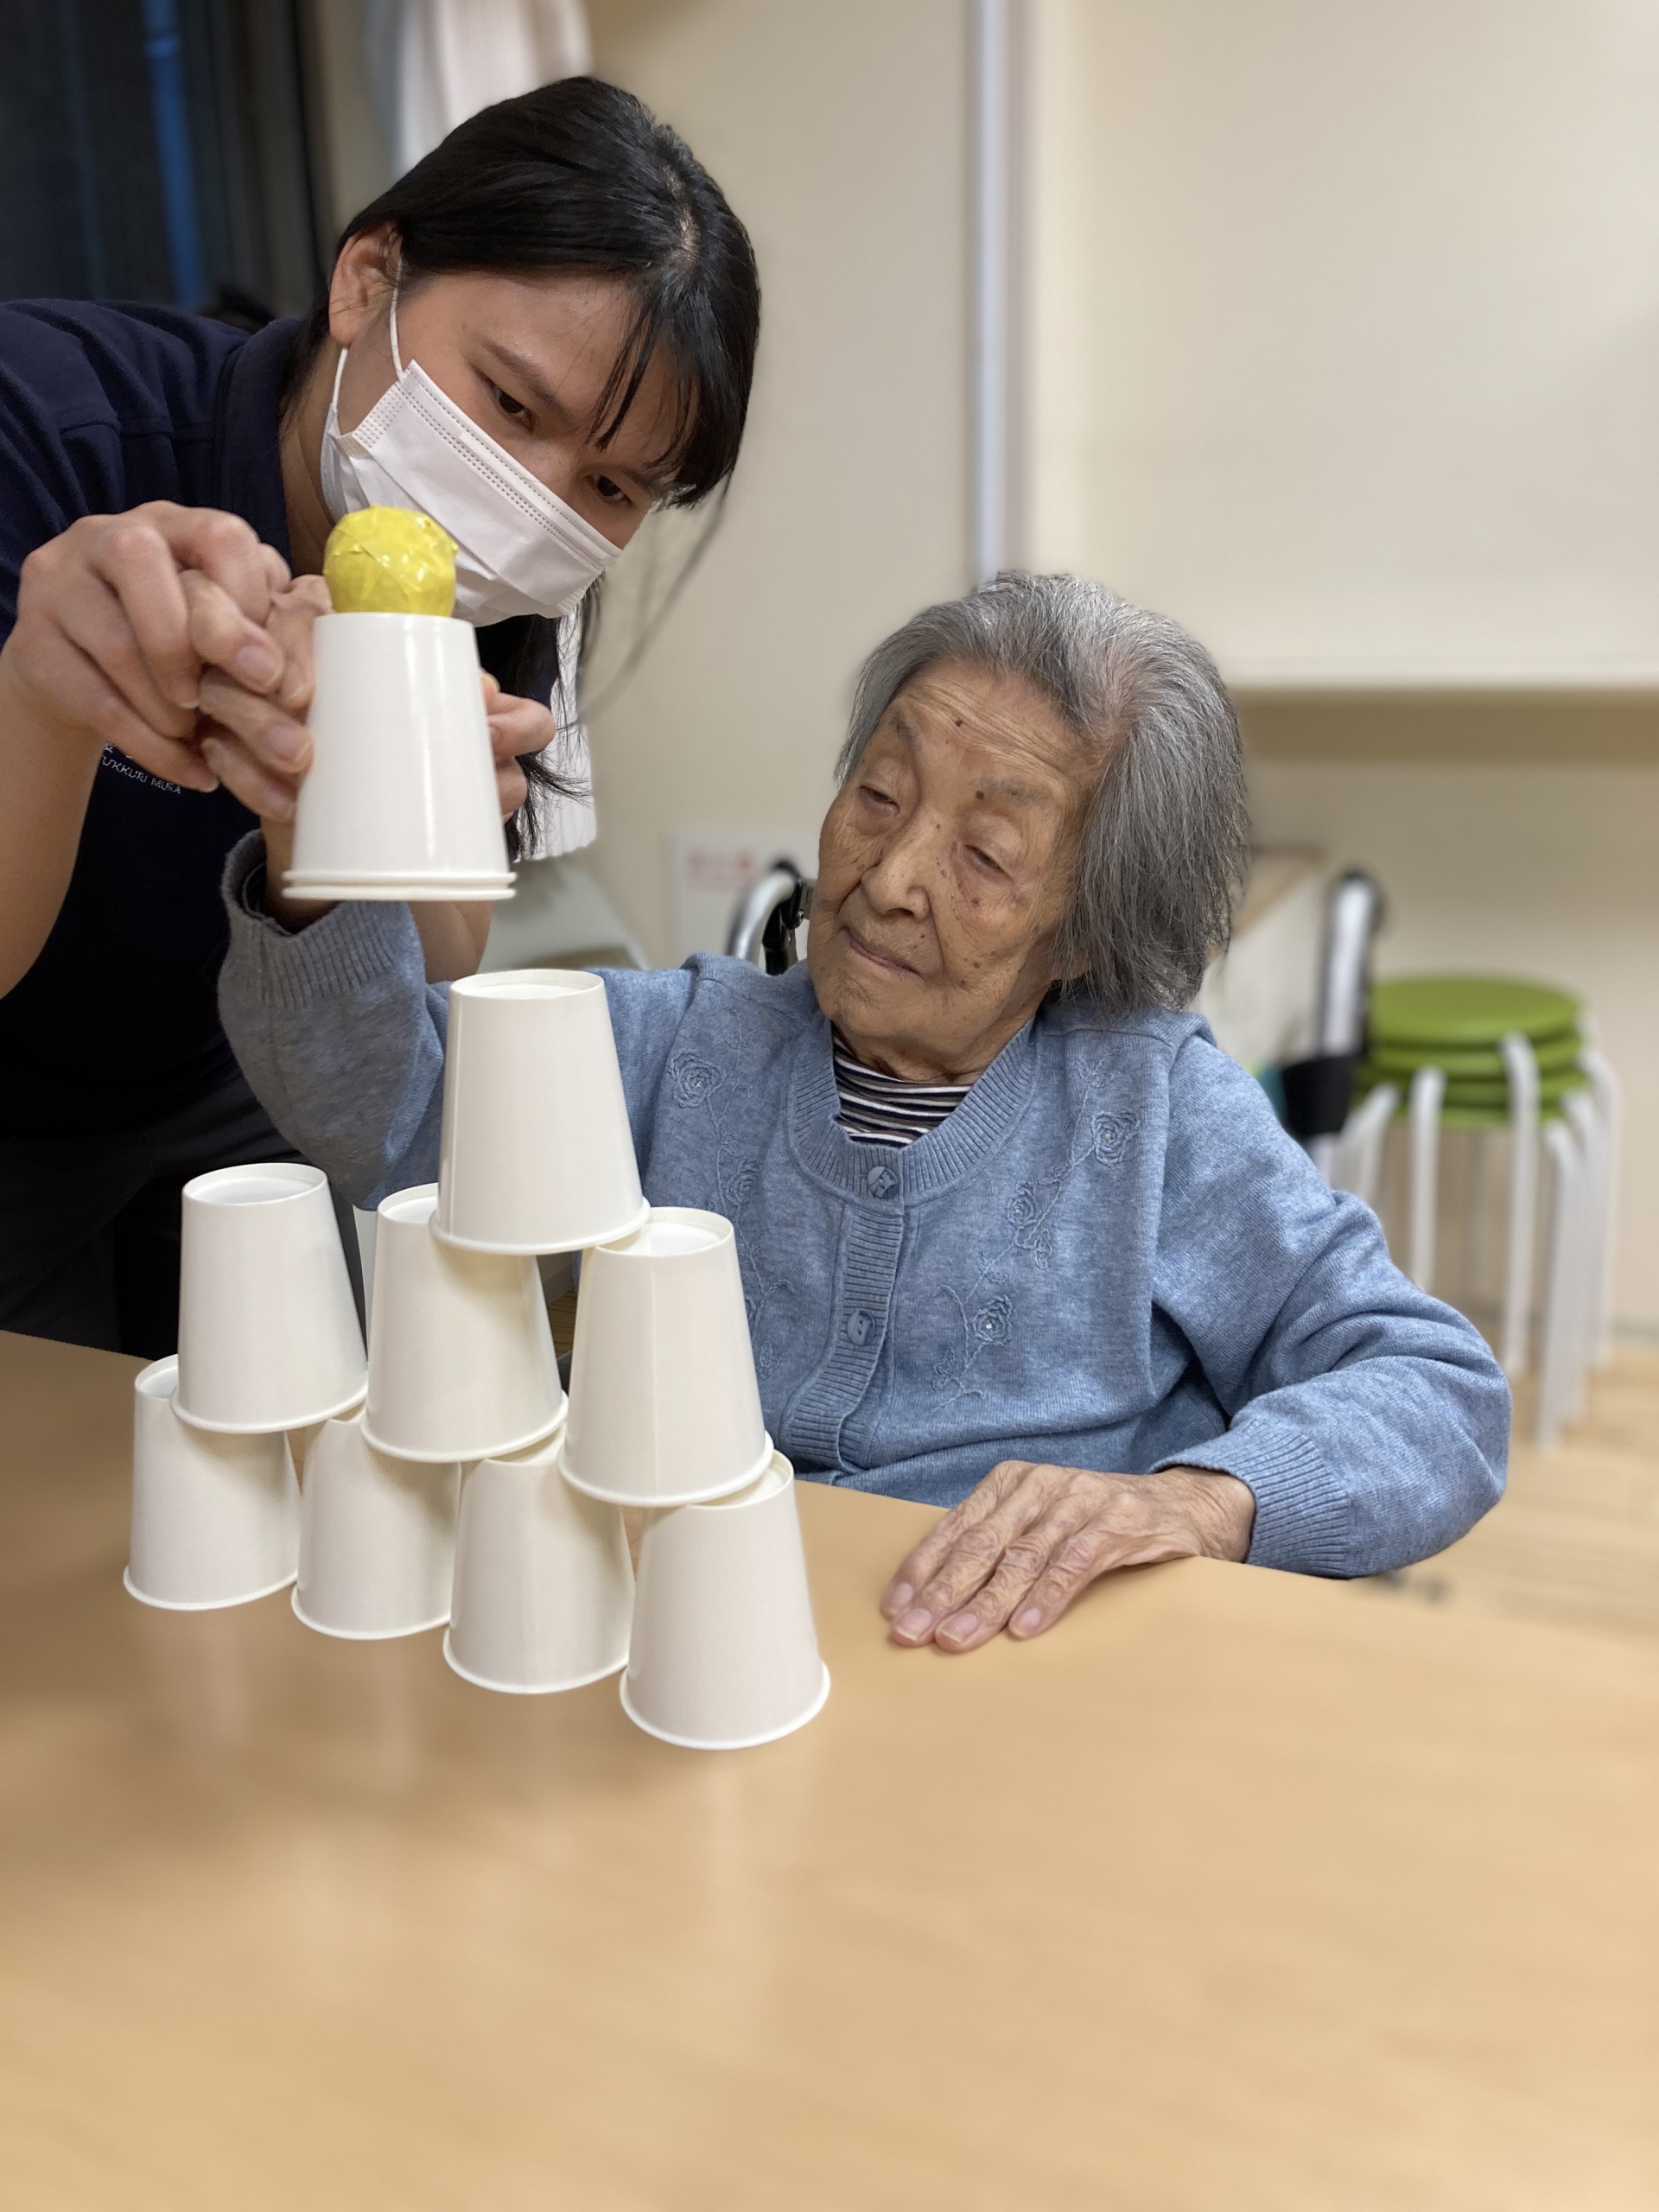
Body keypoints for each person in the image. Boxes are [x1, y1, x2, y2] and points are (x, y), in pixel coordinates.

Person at [216, 571, 1510, 1654]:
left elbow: (1435, 1389)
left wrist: (1202, 1501)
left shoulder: (1153, 1106)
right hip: (691, 1657)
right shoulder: (688, 1043)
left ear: (1086, 931)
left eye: (985, 856)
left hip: (1021, 1676)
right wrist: (305, 828)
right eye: (880, 797)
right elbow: (389, 1115)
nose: (889, 877)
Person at [0, 78, 760, 1357]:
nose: (532, 500)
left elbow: (431, 969)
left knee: (325, 1416)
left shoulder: (501, 590)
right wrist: (47, 697)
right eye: (511, 406)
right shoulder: (53, 428)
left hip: (231, 1079)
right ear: (367, 280)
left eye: (612, 486)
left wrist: (321, 813)